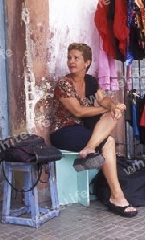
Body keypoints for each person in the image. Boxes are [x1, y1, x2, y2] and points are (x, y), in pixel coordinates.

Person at [50, 43, 138, 218]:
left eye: (76, 58)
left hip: (83, 130)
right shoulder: (64, 83)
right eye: (69, 57)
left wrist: (113, 106)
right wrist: (108, 109)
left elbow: (103, 99)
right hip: (64, 132)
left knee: (114, 114)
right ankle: (117, 196)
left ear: (87, 62)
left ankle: (90, 148)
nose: (71, 61)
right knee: (109, 142)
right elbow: (78, 111)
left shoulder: (90, 80)